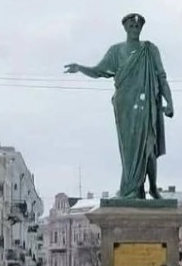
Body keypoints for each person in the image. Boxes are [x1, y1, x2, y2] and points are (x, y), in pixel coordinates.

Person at [64, 13, 174, 199]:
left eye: (137, 26)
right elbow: (99, 71)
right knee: (129, 150)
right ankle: (134, 189)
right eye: (131, 26)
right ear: (125, 28)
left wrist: (169, 102)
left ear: (141, 28)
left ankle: (153, 188)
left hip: (146, 105)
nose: (134, 29)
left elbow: (161, 77)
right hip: (125, 107)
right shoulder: (116, 51)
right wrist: (80, 68)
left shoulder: (150, 50)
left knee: (148, 147)